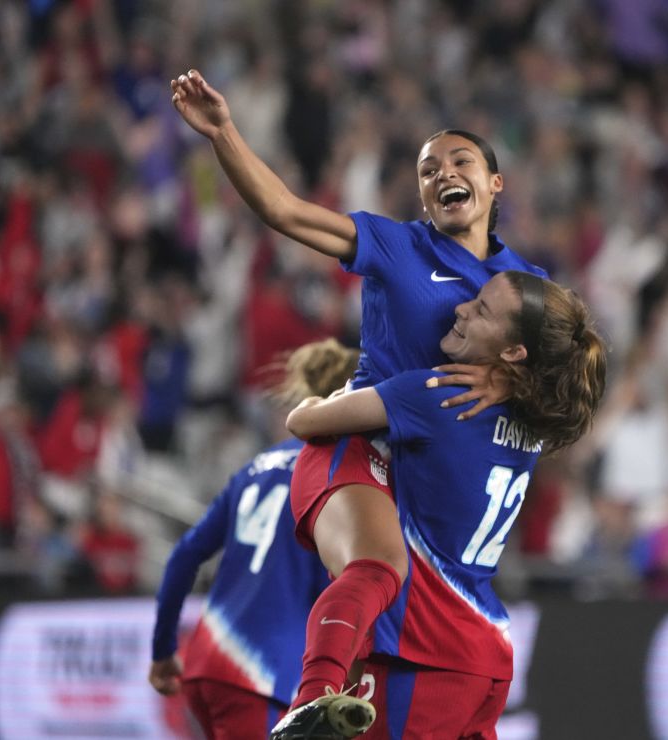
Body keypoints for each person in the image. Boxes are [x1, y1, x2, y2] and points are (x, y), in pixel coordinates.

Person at [171, 69, 547, 736]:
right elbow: (285, 212)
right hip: (358, 443)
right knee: (378, 568)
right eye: (428, 168)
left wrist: (518, 381)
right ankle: (311, 707)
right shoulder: (397, 244)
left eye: (460, 160)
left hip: (425, 479)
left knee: (423, 626)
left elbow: (572, 365)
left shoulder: (526, 286)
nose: (441, 173)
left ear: (495, 183)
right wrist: (223, 132)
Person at [279, 272, 606, 738]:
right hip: (486, 658)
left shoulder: (438, 394)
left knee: (370, 570)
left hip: (422, 651)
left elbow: (305, 422)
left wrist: (320, 397)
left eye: (482, 310)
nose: (461, 309)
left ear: (514, 352)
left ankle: (309, 698)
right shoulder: (535, 422)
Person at [148, 339, 362, 738]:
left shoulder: (256, 467)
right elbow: (335, 588)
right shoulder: (336, 475)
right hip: (263, 672)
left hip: (206, 662)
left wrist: (163, 652)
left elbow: (184, 556)